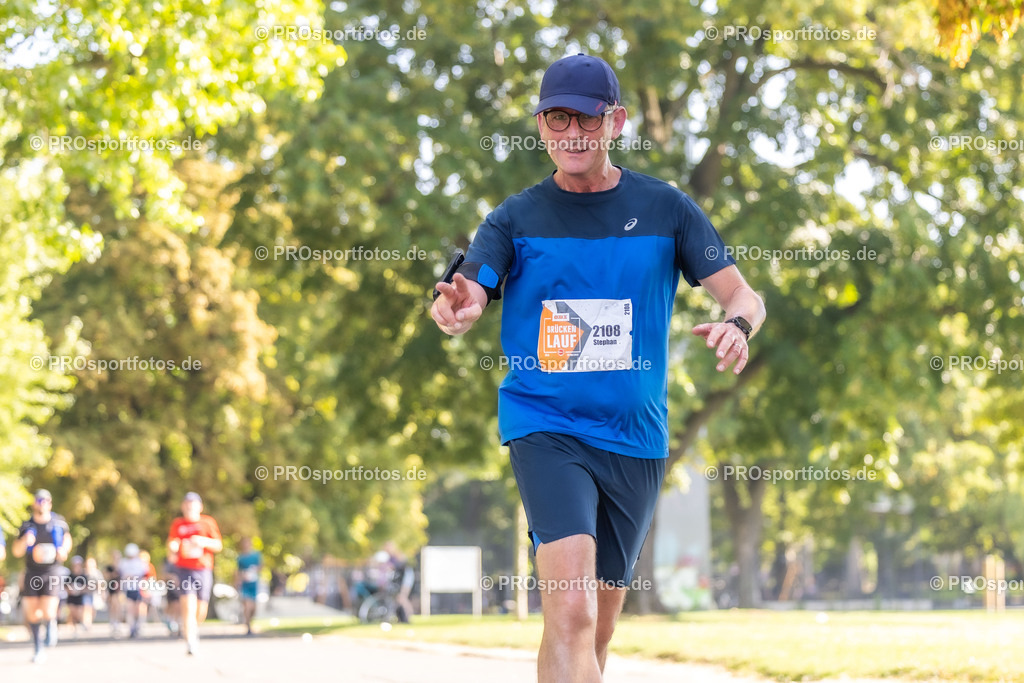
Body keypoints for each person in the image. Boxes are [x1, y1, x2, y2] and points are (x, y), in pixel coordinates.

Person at [430, 53, 766, 682]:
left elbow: (743, 296)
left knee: (597, 628)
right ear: (541, 126)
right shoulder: (514, 217)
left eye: (585, 120)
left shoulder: (667, 209)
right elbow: (471, 286)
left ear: (615, 121)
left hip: (636, 439)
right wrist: (459, 306)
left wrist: (737, 326)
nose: (572, 135)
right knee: (573, 608)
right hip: (547, 425)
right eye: (557, 120)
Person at [11, 489, 73, 664]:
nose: (42, 503)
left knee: (47, 610)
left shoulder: (58, 522)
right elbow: (16, 551)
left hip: (52, 571)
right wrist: (24, 542)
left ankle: (51, 622)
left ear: (50, 503)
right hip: (32, 572)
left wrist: (64, 550)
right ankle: (38, 648)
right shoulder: (26, 526)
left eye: (46, 500)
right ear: (34, 503)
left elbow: (67, 540)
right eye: (39, 500)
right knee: (32, 613)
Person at [167, 491, 222, 655]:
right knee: (188, 606)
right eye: (187, 503)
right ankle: (190, 640)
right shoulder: (178, 524)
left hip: (203, 570)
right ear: (183, 506)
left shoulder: (208, 522)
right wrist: (173, 548)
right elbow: (171, 544)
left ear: (200, 506)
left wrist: (202, 541)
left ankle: (193, 629)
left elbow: (218, 545)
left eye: (193, 503)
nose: (190, 506)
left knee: (201, 609)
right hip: (184, 570)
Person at [234, 536, 262, 635]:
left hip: (253, 583)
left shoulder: (256, 556)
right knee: (247, 605)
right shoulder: (240, 558)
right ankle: (248, 626)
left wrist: (254, 570)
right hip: (244, 584)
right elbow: (237, 571)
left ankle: (249, 620)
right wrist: (237, 582)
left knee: (253, 607)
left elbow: (260, 567)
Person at [119, 543, 147, 638]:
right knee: (130, 609)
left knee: (139, 609)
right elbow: (123, 575)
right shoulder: (123, 563)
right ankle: (131, 628)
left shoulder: (140, 563)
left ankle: (138, 626)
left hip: (139, 589)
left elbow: (142, 575)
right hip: (128, 589)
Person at [65, 555, 89, 634]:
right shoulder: (70, 576)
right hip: (71, 597)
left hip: (80, 597)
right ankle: (73, 628)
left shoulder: (84, 576)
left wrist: (79, 590)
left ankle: (80, 624)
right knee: (72, 612)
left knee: (79, 613)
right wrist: (70, 590)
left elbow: (87, 587)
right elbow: (65, 586)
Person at [104, 549, 124, 637]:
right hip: (112, 588)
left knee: (119, 606)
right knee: (112, 605)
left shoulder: (122, 566)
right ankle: (113, 623)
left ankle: (118, 623)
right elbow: (106, 576)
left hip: (120, 588)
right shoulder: (109, 567)